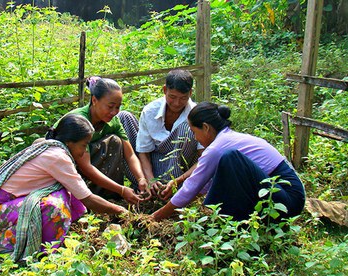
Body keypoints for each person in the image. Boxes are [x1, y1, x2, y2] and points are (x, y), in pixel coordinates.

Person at [0, 114, 127, 261]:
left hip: (8, 207)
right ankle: (7, 244)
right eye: (84, 145)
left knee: (64, 193)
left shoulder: (50, 146)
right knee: (54, 208)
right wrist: (121, 211)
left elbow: (77, 193)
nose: (85, 151)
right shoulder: (57, 157)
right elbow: (88, 199)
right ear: (70, 142)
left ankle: (60, 233)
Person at [152, 102, 306, 221]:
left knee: (230, 157)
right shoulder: (226, 139)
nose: (195, 138)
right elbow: (202, 185)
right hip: (277, 195)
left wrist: (154, 217)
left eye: (194, 132)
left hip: (288, 200)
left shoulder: (218, 148)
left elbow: (191, 188)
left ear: (205, 128)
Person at [55, 77, 149, 204]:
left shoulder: (113, 121)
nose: (114, 112)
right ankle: (88, 199)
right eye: (110, 106)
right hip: (64, 168)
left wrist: (141, 179)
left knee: (115, 141)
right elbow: (86, 167)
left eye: (118, 107)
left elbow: (130, 154)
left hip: (87, 163)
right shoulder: (80, 121)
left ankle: (109, 197)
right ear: (94, 100)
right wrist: (121, 190)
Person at [136, 69, 203, 198]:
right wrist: (151, 180)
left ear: (190, 93)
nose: (177, 103)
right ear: (165, 90)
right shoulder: (150, 111)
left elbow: (204, 158)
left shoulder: (196, 115)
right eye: (172, 97)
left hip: (184, 174)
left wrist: (178, 181)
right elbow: (143, 151)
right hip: (155, 167)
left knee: (186, 129)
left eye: (183, 98)